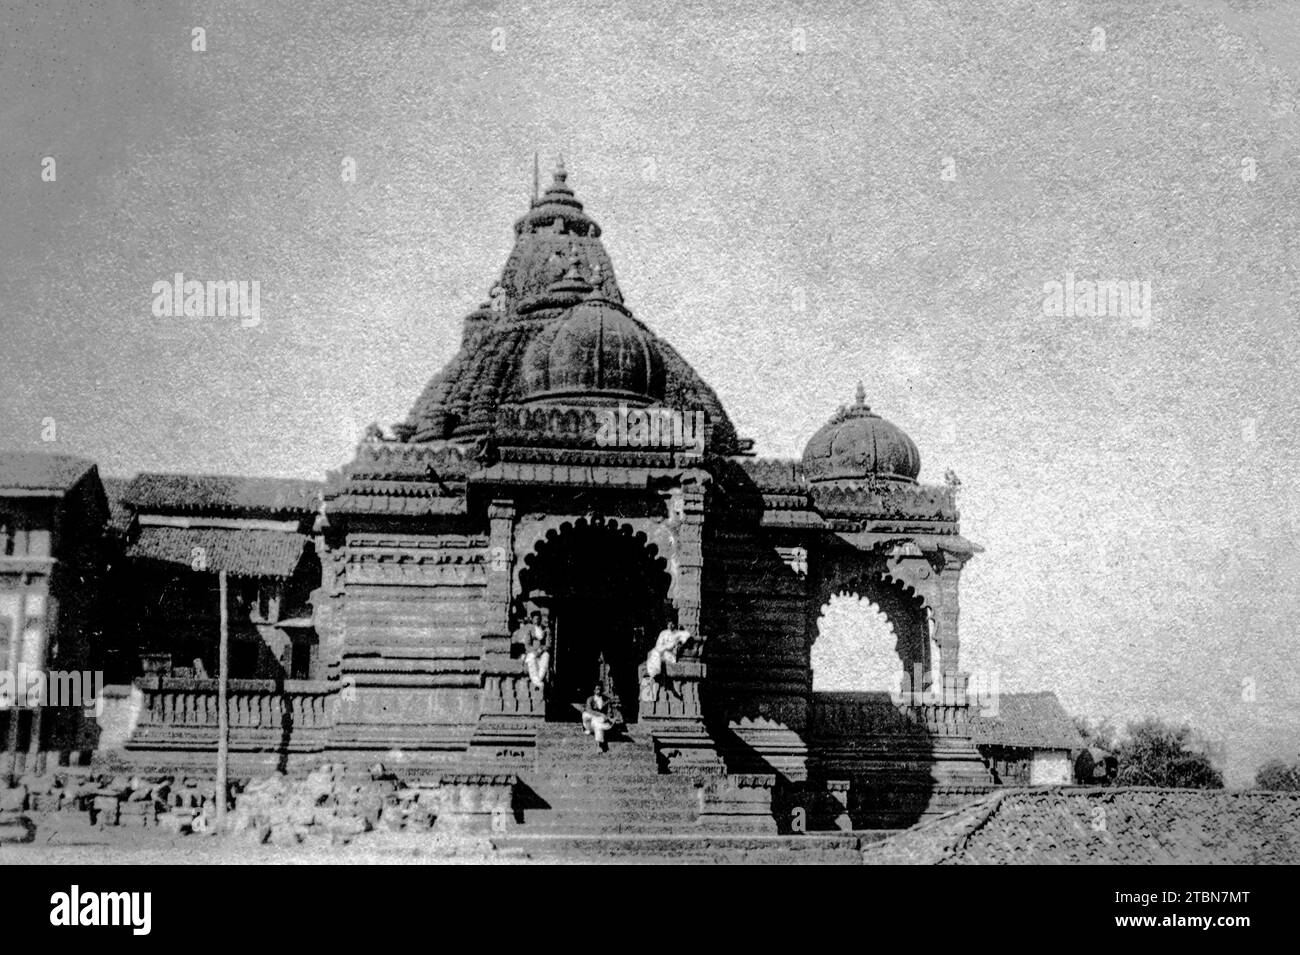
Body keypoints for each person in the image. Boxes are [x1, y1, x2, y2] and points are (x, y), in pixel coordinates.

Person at [515, 610, 550, 689]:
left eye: (538, 619)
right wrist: (535, 651)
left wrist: (542, 649)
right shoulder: (529, 630)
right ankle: (537, 682)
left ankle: (538, 680)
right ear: (532, 619)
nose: (536, 621)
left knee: (546, 658)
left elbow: (548, 644)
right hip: (532, 651)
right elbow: (527, 645)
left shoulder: (545, 630)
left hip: (542, 651)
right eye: (535, 619)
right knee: (531, 659)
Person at [581, 683, 614, 752]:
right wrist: (600, 714)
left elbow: (609, 712)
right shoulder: (590, 699)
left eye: (599, 689)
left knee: (597, 723)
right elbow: (589, 710)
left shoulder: (605, 700)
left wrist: (609, 718)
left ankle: (599, 745)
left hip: (598, 721)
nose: (598, 691)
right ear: (594, 690)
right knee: (585, 714)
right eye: (596, 689)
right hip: (589, 723)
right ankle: (589, 730)